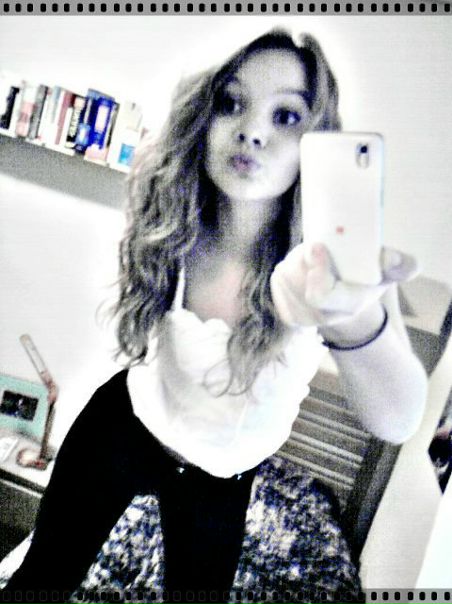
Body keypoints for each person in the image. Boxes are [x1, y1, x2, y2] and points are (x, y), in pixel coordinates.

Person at [4, 28, 427, 603]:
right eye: (231, 103)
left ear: (317, 142)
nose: (251, 129)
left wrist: (349, 320)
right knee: (39, 582)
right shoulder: (175, 224)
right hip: (122, 427)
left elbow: (398, 421)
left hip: (222, 478)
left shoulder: (332, 266)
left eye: (286, 116)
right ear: (203, 119)